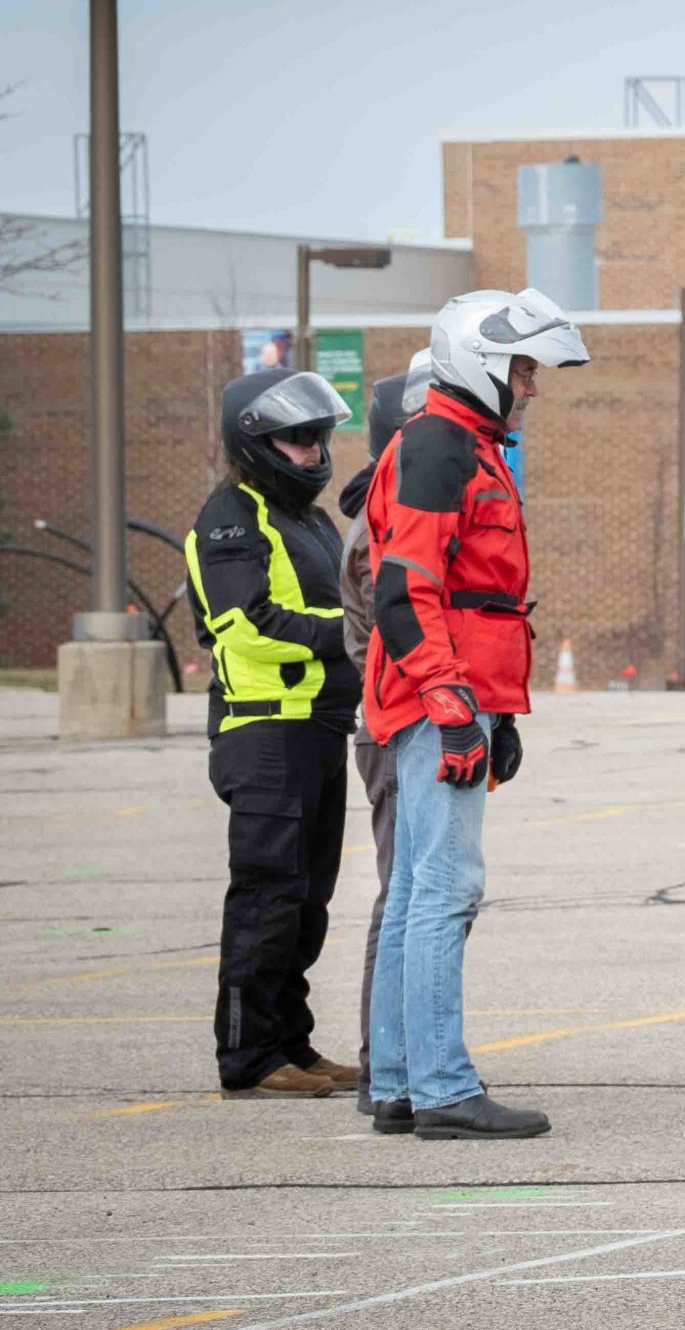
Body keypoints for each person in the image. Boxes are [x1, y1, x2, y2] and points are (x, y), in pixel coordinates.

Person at [363, 289, 588, 1139]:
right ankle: (442, 1087)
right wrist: (456, 707)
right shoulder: (440, 448)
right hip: (435, 698)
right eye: (523, 369)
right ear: (483, 361)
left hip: (451, 694)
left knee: (420, 883)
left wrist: (498, 711)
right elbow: (404, 588)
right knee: (445, 886)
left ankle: (399, 1079)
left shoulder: (461, 445)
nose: (531, 386)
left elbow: (472, 596)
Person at [186, 368, 360, 1099]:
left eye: (319, 436)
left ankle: (292, 1039)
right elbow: (247, 625)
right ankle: (248, 1053)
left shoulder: (312, 518)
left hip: (320, 727)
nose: (313, 451)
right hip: (265, 734)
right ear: (255, 442)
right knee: (266, 895)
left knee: (308, 898)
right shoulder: (231, 518)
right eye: (297, 438)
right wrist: (351, 634)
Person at [336, 351, 433, 1118]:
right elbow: (396, 625)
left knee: (413, 890)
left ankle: (396, 1061)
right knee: (405, 892)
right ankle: (385, 1065)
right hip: (400, 723)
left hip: (410, 716)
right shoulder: (384, 522)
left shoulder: (396, 504)